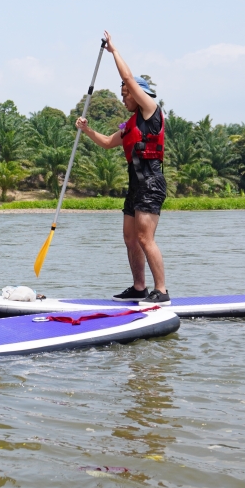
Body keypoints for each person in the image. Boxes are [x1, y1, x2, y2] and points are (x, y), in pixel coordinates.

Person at [75, 31, 169, 305]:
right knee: (130, 238)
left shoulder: (151, 111)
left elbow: (128, 78)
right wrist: (87, 129)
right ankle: (139, 287)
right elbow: (106, 143)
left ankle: (161, 291)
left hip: (151, 181)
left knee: (144, 237)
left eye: (125, 94)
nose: (123, 98)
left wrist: (113, 51)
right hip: (136, 185)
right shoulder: (130, 126)